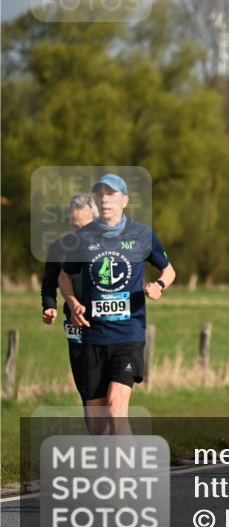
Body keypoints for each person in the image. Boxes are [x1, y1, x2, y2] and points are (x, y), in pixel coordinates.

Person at [59, 174, 176, 433]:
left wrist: (159, 286)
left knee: (115, 406)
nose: (104, 200)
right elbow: (64, 275)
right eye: (100, 194)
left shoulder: (143, 234)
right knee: (97, 424)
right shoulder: (84, 237)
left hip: (128, 335)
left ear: (125, 199)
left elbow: (169, 271)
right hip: (94, 337)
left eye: (111, 194)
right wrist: (73, 302)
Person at [41, 194, 98, 431]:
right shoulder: (60, 248)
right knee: (86, 390)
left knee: (109, 391)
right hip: (74, 326)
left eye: (84, 227)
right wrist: (49, 305)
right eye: (74, 227)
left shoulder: (108, 246)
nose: (79, 233)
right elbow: (48, 283)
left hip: (106, 325)